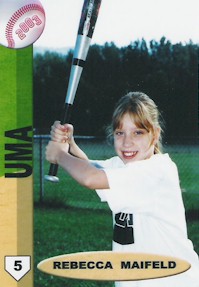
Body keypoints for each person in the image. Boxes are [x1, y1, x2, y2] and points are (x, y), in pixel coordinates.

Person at [46, 91, 199, 287]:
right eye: (120, 133)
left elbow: (91, 178)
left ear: (155, 134)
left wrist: (60, 155)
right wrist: (69, 144)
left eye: (138, 132)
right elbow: (92, 169)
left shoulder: (156, 171)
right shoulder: (122, 166)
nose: (127, 142)